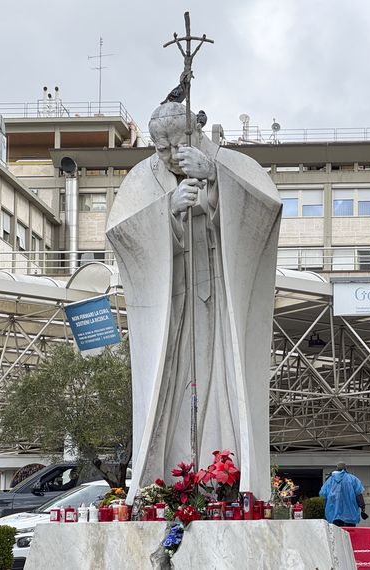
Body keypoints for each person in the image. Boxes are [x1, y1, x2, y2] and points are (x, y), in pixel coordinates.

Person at [106, 101, 281, 502]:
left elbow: (266, 210)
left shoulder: (232, 163)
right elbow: (121, 232)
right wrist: (165, 210)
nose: (167, 156)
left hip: (222, 299)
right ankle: (168, 484)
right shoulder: (143, 177)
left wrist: (217, 180)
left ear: (195, 135)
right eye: (159, 148)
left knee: (224, 377)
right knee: (173, 382)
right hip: (173, 302)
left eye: (175, 145)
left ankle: (229, 478)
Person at [319, 462, 366, 527]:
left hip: (334, 514)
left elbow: (323, 494)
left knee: (336, 535)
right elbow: (358, 495)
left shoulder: (329, 480)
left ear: (336, 468)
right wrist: (362, 507)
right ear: (345, 468)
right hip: (350, 514)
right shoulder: (353, 479)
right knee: (349, 534)